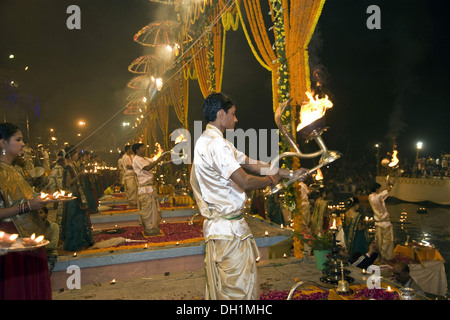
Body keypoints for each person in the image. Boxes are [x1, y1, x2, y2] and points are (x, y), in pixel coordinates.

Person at [190, 93, 308, 300]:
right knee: (238, 292)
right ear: (220, 114)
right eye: (233, 114)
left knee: (231, 287)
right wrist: (272, 181)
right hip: (229, 232)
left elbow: (252, 163)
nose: (236, 119)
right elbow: (245, 180)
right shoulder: (216, 145)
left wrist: (290, 174)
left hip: (224, 229)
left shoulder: (212, 141)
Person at [0, 122, 52, 300]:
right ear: (2, 143)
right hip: (11, 240)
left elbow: (25, 196)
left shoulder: (15, 169)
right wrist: (28, 206)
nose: (23, 144)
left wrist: (42, 200)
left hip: (30, 233)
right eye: (18, 139)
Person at [61, 145, 94, 251]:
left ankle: (81, 239)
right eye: (75, 153)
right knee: (74, 218)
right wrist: (79, 175)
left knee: (80, 218)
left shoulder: (73, 164)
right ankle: (74, 241)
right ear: (70, 154)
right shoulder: (68, 167)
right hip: (73, 195)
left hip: (78, 194)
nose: (77, 155)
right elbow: (68, 183)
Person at [132, 143, 166, 236]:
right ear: (137, 150)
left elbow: (154, 162)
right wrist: (158, 160)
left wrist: (165, 160)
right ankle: (149, 229)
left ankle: (154, 228)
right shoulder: (136, 159)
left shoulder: (145, 158)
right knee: (147, 210)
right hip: (144, 189)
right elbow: (147, 168)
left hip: (150, 188)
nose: (144, 149)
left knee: (154, 209)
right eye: (142, 148)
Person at [368, 182, 394, 261]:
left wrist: (387, 189)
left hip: (381, 223)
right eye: (379, 189)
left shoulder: (373, 196)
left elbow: (381, 196)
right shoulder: (373, 197)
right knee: (386, 241)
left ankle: (382, 256)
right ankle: (384, 257)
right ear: (377, 189)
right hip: (384, 223)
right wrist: (387, 189)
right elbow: (380, 196)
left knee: (381, 240)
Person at [37, 206, 59, 274]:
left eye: (41, 212)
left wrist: (37, 247)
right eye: (36, 213)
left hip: (50, 255)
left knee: (46, 272)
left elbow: (53, 245)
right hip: (36, 255)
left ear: (46, 214)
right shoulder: (32, 227)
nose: (38, 215)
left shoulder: (53, 226)